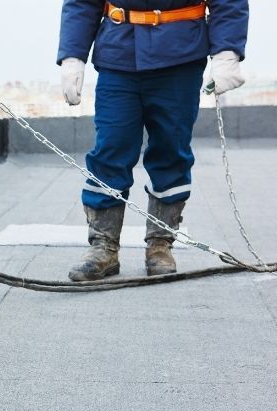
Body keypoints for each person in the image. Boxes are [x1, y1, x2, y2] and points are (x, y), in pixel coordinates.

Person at [58, 1, 249, 281]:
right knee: (111, 148)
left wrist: (227, 51)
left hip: (179, 57)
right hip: (119, 56)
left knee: (171, 151)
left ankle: (160, 245)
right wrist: (73, 55)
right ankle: (103, 248)